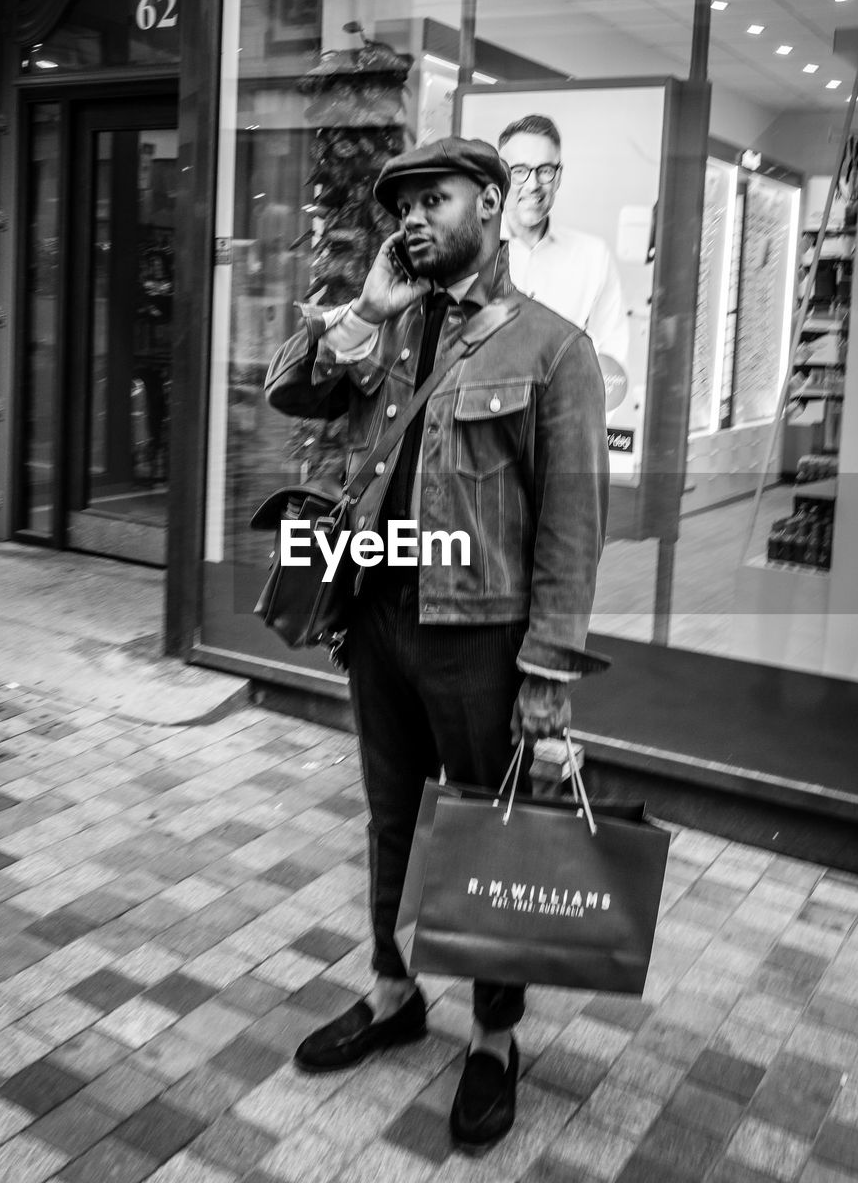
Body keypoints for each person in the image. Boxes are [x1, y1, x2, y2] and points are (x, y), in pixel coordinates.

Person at [264, 137, 609, 1153]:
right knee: (388, 819)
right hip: (377, 619)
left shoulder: (552, 349)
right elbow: (291, 390)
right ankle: (391, 989)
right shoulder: (387, 326)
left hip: (483, 636)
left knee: (488, 833)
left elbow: (571, 526)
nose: (413, 217)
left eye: (436, 198)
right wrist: (365, 312)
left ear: (492, 204)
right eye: (402, 202)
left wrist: (548, 669)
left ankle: (494, 1036)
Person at [499, 113, 629, 364]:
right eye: (519, 171)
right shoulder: (473, 251)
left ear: (558, 177)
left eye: (545, 170)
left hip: (565, 401)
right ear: (500, 176)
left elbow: (610, 359)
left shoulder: (593, 257)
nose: (532, 184)